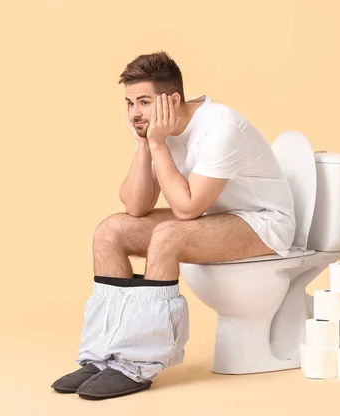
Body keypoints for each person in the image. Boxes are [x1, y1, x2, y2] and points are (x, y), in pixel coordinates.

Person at [51, 51, 296, 400]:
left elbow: (186, 210)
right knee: (110, 231)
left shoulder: (220, 128)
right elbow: (135, 205)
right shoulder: (159, 130)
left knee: (167, 235)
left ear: (173, 99)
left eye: (144, 102)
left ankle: (138, 364)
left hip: (263, 222)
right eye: (130, 103)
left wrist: (156, 143)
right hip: (214, 217)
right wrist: (144, 144)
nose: (135, 113)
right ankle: (104, 354)